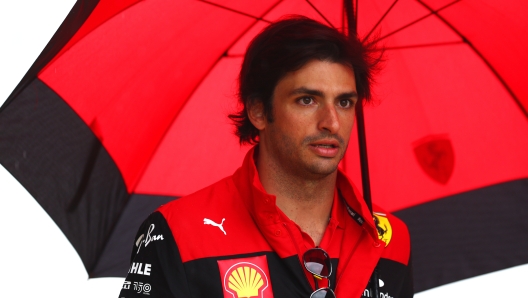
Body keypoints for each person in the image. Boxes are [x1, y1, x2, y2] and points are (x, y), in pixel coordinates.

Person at [119, 16, 413, 298]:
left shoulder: (390, 238)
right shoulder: (177, 232)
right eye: (307, 100)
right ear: (258, 110)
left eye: (345, 102)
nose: (332, 123)